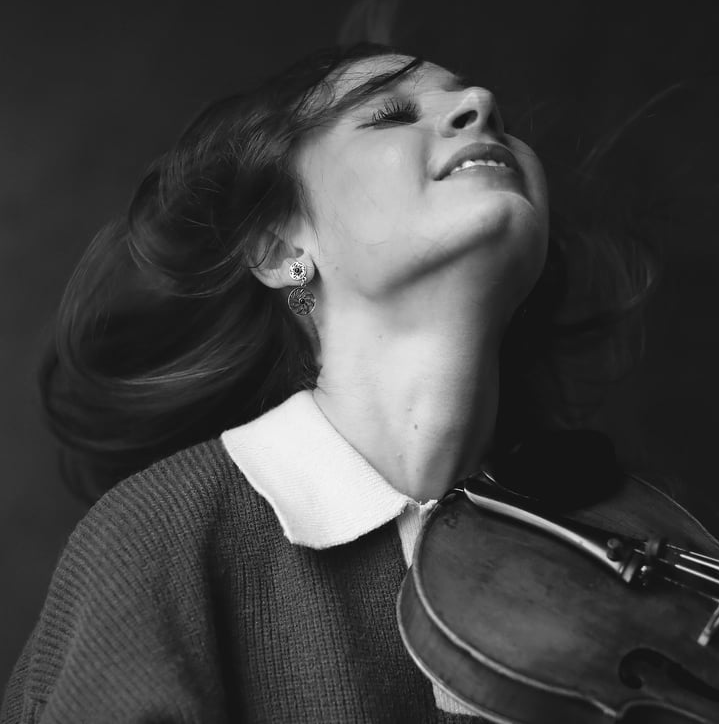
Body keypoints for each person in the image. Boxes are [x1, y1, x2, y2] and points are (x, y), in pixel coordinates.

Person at [0, 41, 653, 723]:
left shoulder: (627, 541)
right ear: (283, 251)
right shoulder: (162, 533)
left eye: (488, 106)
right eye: (391, 116)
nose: (479, 105)